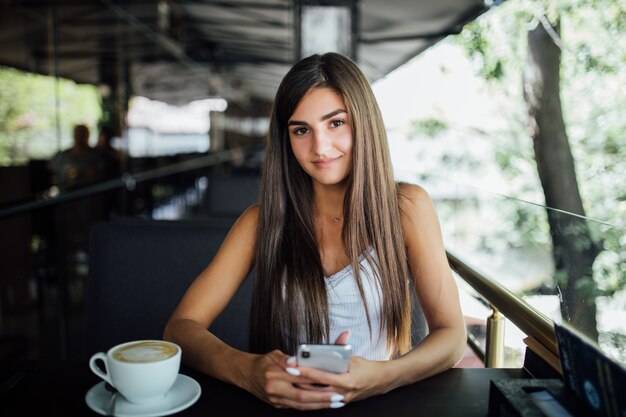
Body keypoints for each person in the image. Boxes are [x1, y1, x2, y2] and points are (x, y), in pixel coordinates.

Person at [164, 53, 466, 410]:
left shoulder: (406, 208)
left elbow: (452, 336)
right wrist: (249, 370)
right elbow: (180, 328)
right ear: (286, 139)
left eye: (336, 123)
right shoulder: (261, 223)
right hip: (288, 404)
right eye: (301, 130)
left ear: (364, 123)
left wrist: (377, 378)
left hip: (382, 403)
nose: (320, 148)